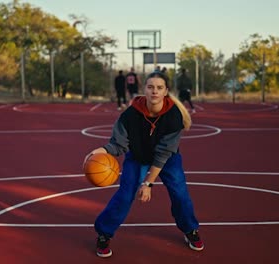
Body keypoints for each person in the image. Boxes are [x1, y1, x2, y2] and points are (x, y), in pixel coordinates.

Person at [84, 71, 204, 258]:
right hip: (138, 157)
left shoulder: (173, 116)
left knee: (180, 194)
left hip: (167, 159)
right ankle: (104, 234)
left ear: (166, 92)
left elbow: (163, 153)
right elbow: (119, 144)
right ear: (144, 90)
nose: (154, 91)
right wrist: (101, 151)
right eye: (150, 87)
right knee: (125, 195)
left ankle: (190, 229)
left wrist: (148, 183)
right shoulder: (130, 115)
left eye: (159, 87)